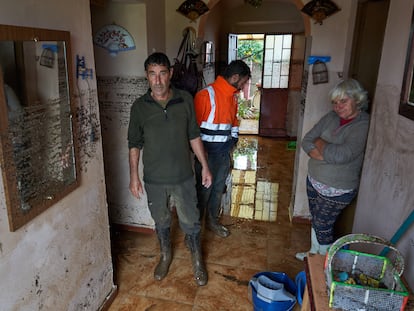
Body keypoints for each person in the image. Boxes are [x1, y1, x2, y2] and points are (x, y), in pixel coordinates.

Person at [127, 52, 212, 286]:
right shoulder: (139, 108)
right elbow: (134, 143)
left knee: (191, 221)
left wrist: (204, 166)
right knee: (161, 220)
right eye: (152, 74)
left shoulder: (185, 100)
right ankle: (165, 256)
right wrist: (133, 176)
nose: (158, 80)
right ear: (147, 76)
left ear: (170, 74)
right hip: (154, 179)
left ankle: (197, 260)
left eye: (162, 73)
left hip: (183, 177)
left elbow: (194, 135)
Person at [295, 79, 370, 261]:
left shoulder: (363, 124)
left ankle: (325, 266)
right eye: (335, 102)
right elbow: (306, 140)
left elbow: (341, 155)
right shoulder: (331, 117)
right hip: (314, 179)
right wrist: (324, 151)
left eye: (343, 101)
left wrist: (319, 143)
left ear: (357, 100)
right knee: (316, 219)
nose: (338, 107)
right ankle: (313, 255)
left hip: (338, 188)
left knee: (323, 226)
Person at [193, 60, 251, 238]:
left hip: (223, 154)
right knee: (204, 191)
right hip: (206, 156)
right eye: (243, 82)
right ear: (234, 77)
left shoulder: (232, 96)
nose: (243, 87)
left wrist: (232, 143)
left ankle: (212, 222)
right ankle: (195, 232)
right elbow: (192, 132)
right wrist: (202, 160)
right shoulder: (205, 95)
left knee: (218, 189)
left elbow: (233, 122)